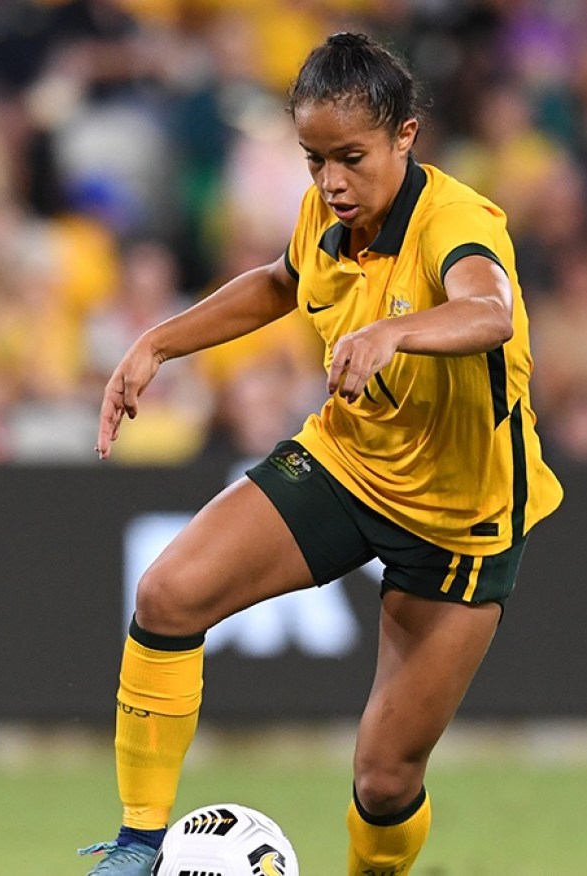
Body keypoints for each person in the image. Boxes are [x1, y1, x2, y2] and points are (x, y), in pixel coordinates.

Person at [79, 32, 562, 876]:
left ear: (404, 138)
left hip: (459, 519)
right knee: (167, 594)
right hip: (347, 464)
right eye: (313, 161)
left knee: (381, 779)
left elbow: (490, 310)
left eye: (350, 157)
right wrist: (159, 342)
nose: (332, 182)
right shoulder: (328, 213)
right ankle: (135, 847)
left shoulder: (455, 221)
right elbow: (278, 280)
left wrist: (392, 333)